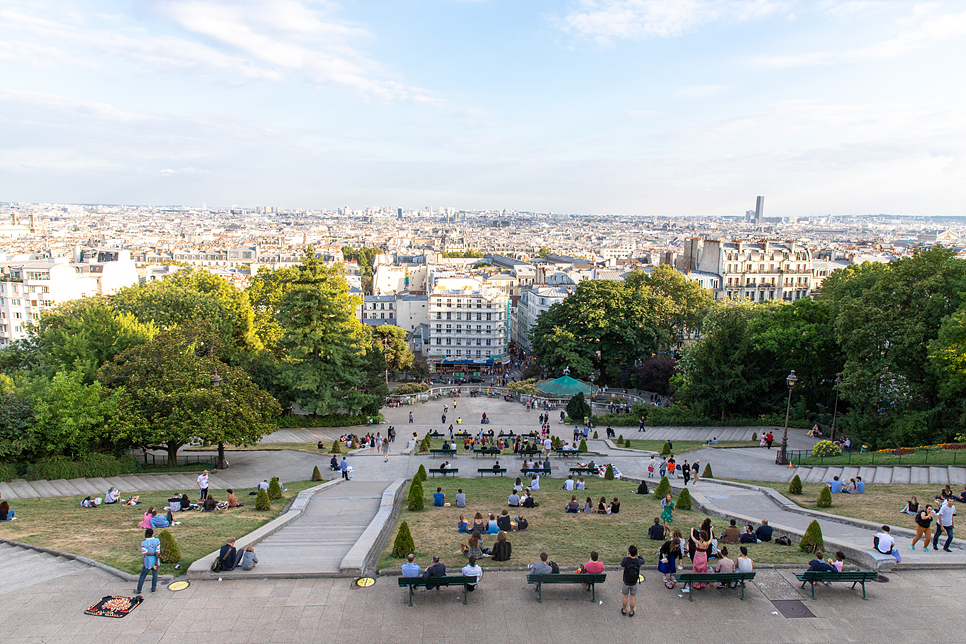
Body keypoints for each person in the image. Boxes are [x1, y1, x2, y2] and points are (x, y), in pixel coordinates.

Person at [620, 545, 645, 616]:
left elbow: (622, 565)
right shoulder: (638, 561)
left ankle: (624, 610)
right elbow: (643, 561)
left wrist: (627, 557)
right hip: (634, 581)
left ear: (629, 552)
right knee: (632, 597)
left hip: (626, 580)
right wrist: (638, 555)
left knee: (625, 596)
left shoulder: (626, 559)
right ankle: (631, 611)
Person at [135, 528, 161, 594]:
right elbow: (157, 552)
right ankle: (153, 588)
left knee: (143, 575)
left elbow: (145, 553)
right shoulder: (157, 541)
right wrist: (156, 561)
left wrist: (151, 554)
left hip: (147, 561)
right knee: (155, 575)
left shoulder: (144, 543)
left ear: (147, 534)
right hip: (155, 560)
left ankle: (138, 589)